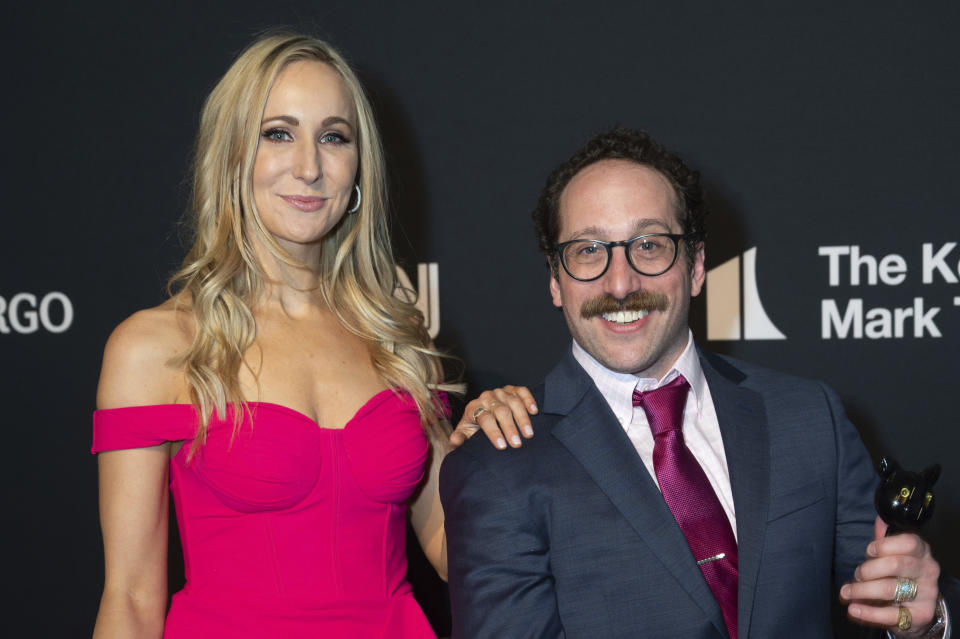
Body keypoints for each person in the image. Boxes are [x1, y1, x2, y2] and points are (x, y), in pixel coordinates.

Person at [90, 32, 524, 638]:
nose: (310, 166)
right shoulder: (157, 346)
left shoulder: (394, 333)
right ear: (232, 154)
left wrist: (498, 449)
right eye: (278, 133)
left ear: (358, 167)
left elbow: (461, 548)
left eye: (333, 137)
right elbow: (132, 599)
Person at [441, 127, 955, 638]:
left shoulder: (807, 417)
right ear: (555, 279)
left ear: (697, 266)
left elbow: (885, 599)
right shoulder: (498, 466)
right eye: (588, 250)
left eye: (649, 245)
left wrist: (922, 617)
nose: (620, 284)